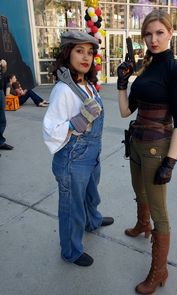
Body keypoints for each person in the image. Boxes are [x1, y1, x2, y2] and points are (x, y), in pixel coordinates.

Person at [117, 10, 177, 294]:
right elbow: (125, 112)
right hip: (136, 140)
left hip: (157, 146)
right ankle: (141, 224)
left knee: (160, 210)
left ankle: (159, 271)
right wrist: (123, 82)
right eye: (148, 34)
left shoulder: (176, 71)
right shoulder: (145, 69)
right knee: (139, 190)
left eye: (159, 33)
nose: (153, 39)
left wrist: (170, 162)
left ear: (170, 33)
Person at [42, 31, 114, 267]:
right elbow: (51, 129)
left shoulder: (87, 84)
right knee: (72, 207)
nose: (86, 57)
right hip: (73, 159)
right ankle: (71, 250)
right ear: (67, 53)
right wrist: (78, 121)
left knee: (91, 194)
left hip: (91, 154)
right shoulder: (63, 90)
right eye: (79, 51)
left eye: (90, 52)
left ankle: (92, 220)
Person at [0, 58, 14, 153]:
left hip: (0, 91)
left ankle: (0, 142)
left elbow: (3, 71)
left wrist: (4, 65)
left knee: (2, 120)